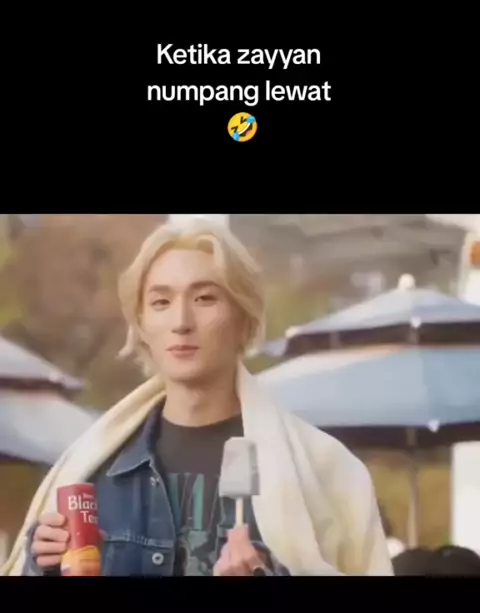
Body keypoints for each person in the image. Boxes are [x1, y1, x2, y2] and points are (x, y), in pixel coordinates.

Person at [2, 219, 393, 576]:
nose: (181, 322)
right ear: (142, 325)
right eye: (161, 302)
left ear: (244, 318)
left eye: (205, 298)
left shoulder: (327, 472)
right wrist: (43, 565)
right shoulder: (93, 469)